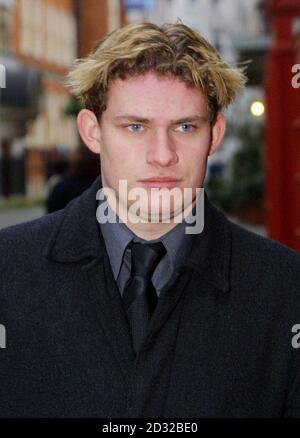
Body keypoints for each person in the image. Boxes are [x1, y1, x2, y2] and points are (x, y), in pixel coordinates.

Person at [0, 22, 299, 418]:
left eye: (185, 127)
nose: (163, 154)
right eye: (136, 126)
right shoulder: (7, 271)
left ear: (214, 136)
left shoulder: (285, 287)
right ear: (93, 132)